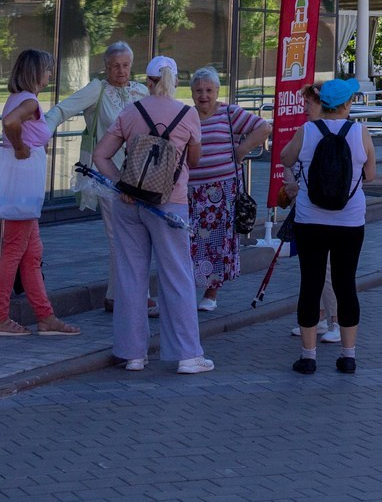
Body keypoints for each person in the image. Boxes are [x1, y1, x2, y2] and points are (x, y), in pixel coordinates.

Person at [91, 54, 209, 374]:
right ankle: (186, 355)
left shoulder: (130, 112)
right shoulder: (187, 114)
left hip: (129, 203)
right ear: (176, 81)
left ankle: (132, 354)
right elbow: (194, 161)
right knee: (177, 277)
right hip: (170, 204)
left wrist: (122, 184)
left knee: (131, 278)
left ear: (148, 80)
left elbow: (100, 155)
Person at [280, 76, 369, 374]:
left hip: (310, 219)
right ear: (347, 104)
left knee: (311, 283)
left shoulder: (307, 130)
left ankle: (308, 356)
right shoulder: (360, 132)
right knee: (346, 284)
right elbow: (369, 175)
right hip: (350, 220)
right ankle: (348, 355)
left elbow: (285, 157)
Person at [0, 49, 79, 337]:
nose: (50, 74)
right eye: (48, 69)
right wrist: (20, 147)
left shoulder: (21, 98)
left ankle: (45, 315)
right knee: (15, 250)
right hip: (23, 185)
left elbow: (20, 128)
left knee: (31, 253)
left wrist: (30, 144)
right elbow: (10, 123)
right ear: (36, 72)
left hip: (23, 183)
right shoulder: (28, 101)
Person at [187, 66, 263, 311]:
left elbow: (263, 127)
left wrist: (242, 150)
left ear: (217, 91)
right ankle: (188, 289)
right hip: (193, 193)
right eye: (199, 90)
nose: (204, 95)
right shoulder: (187, 117)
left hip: (222, 193)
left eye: (209, 90)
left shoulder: (229, 113)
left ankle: (211, 294)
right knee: (191, 243)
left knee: (218, 243)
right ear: (192, 93)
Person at [44, 41, 146, 215]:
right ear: (106, 67)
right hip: (107, 173)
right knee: (116, 233)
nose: (121, 70)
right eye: (115, 66)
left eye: (125, 65)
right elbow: (62, 109)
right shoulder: (98, 89)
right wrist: (42, 133)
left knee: (137, 233)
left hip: (139, 173)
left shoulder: (142, 91)